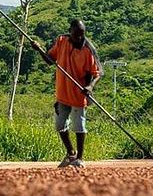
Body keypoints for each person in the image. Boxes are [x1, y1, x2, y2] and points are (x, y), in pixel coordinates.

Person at [32, 19, 102, 168]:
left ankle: (80, 158)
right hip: (62, 94)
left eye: (82, 35)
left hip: (79, 95)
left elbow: (97, 73)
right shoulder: (62, 41)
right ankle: (71, 153)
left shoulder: (88, 50)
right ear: (70, 31)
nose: (79, 38)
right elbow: (50, 60)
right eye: (76, 34)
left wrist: (90, 87)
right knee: (59, 126)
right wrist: (39, 49)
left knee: (79, 126)